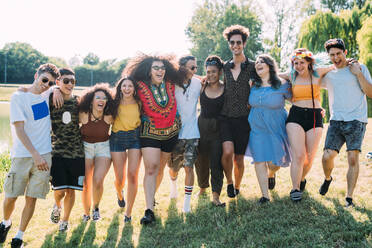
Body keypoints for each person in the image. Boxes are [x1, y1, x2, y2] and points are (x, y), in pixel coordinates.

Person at [0, 64, 60, 248]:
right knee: (11, 195)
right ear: (36, 75)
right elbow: (19, 130)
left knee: (32, 197)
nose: (46, 85)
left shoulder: (46, 94)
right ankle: (6, 222)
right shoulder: (19, 97)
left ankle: (19, 236)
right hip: (24, 155)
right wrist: (35, 155)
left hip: (45, 155)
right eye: (44, 80)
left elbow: (59, 86)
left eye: (50, 83)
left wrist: (56, 88)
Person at [124, 53, 184, 224]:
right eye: (156, 68)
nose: (160, 70)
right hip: (149, 132)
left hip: (171, 132)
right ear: (149, 71)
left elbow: (192, 78)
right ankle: (149, 210)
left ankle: (152, 199)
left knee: (160, 170)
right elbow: (124, 89)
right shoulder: (139, 86)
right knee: (151, 168)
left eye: (162, 68)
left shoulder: (171, 84)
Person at [320, 38, 372, 207]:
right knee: (327, 156)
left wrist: (358, 74)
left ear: (345, 52)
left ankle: (349, 197)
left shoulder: (359, 68)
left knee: (352, 158)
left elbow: (370, 92)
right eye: (332, 55)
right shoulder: (329, 74)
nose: (336, 58)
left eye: (338, 53)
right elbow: (310, 77)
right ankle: (328, 178)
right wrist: (327, 67)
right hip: (336, 121)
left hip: (356, 121)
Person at [282, 48, 334, 202]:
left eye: (302, 63)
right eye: (295, 63)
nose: (298, 66)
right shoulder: (291, 75)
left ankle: (301, 178)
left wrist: (351, 63)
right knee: (298, 155)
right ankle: (295, 188)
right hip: (296, 115)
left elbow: (336, 65)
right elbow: (271, 75)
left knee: (309, 157)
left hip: (315, 116)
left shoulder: (317, 73)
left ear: (309, 62)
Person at [245, 55, 291, 204]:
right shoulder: (253, 85)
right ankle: (265, 195)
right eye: (256, 62)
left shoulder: (282, 84)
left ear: (270, 66)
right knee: (259, 160)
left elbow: (296, 99)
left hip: (276, 127)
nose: (257, 64)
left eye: (261, 62)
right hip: (257, 128)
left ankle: (271, 174)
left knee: (274, 163)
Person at [220, 25, 255, 197]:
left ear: (244, 43)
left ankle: (237, 187)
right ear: (229, 44)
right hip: (226, 117)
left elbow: (266, 83)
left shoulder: (254, 67)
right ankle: (229, 182)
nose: (235, 46)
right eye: (232, 43)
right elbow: (212, 80)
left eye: (238, 42)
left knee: (239, 159)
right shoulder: (224, 67)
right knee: (227, 152)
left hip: (244, 119)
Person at [49, 68, 85, 232]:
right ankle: (57, 205)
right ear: (58, 82)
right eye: (65, 81)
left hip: (77, 153)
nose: (70, 84)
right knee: (60, 190)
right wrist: (54, 90)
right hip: (57, 153)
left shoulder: (79, 102)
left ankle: (64, 221)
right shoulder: (50, 100)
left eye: (73, 81)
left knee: (71, 190)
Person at [167, 55, 201, 213]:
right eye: (192, 67)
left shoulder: (198, 83)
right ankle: (173, 185)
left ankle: (186, 204)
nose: (195, 70)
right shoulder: (171, 84)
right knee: (173, 169)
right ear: (181, 68)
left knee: (189, 167)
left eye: (196, 67)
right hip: (174, 134)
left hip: (193, 133)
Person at [79, 83, 114, 221]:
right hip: (86, 147)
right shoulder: (83, 114)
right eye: (97, 97)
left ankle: (96, 208)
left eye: (104, 98)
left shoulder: (109, 116)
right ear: (91, 100)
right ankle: (86, 213)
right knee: (86, 183)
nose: (101, 100)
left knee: (98, 180)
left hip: (103, 147)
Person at [194, 55, 225, 207]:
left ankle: (216, 195)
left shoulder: (225, 88)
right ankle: (202, 187)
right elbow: (188, 75)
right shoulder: (202, 86)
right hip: (202, 126)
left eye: (214, 71)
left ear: (220, 72)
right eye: (208, 71)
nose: (211, 74)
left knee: (216, 161)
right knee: (200, 160)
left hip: (218, 128)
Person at [110, 77, 142, 223]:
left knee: (133, 175)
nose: (127, 88)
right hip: (117, 138)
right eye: (124, 86)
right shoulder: (114, 103)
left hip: (135, 137)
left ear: (134, 89)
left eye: (130, 86)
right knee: (120, 178)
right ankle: (119, 193)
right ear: (120, 87)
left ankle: (128, 213)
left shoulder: (139, 103)